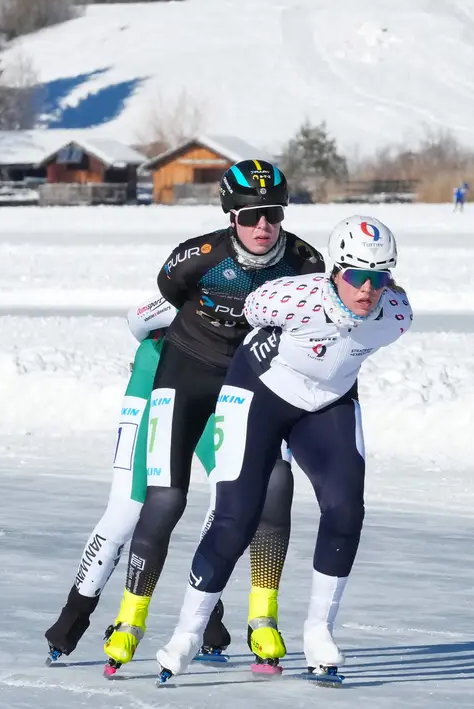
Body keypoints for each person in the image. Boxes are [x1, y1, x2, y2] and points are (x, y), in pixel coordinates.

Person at [155, 215, 413, 683]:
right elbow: (252, 312)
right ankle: (187, 634)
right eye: (357, 275)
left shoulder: (397, 316)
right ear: (336, 271)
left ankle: (319, 630)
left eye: (378, 279)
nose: (367, 289)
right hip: (260, 392)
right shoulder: (291, 297)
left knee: (346, 508)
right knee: (236, 516)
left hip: (328, 402)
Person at [107, 158, 325, 671]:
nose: (262, 225)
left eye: (273, 213)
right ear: (232, 217)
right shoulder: (196, 258)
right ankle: (129, 620)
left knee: (275, 487)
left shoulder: (305, 264)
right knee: (166, 498)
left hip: (250, 382)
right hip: (185, 373)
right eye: (249, 215)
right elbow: (169, 294)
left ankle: (263, 619)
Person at [44, 296, 227, 663]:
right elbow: (137, 319)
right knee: (128, 507)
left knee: (230, 500)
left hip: (219, 385)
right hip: (155, 375)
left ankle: (207, 618)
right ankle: (72, 619)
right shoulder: (196, 279)